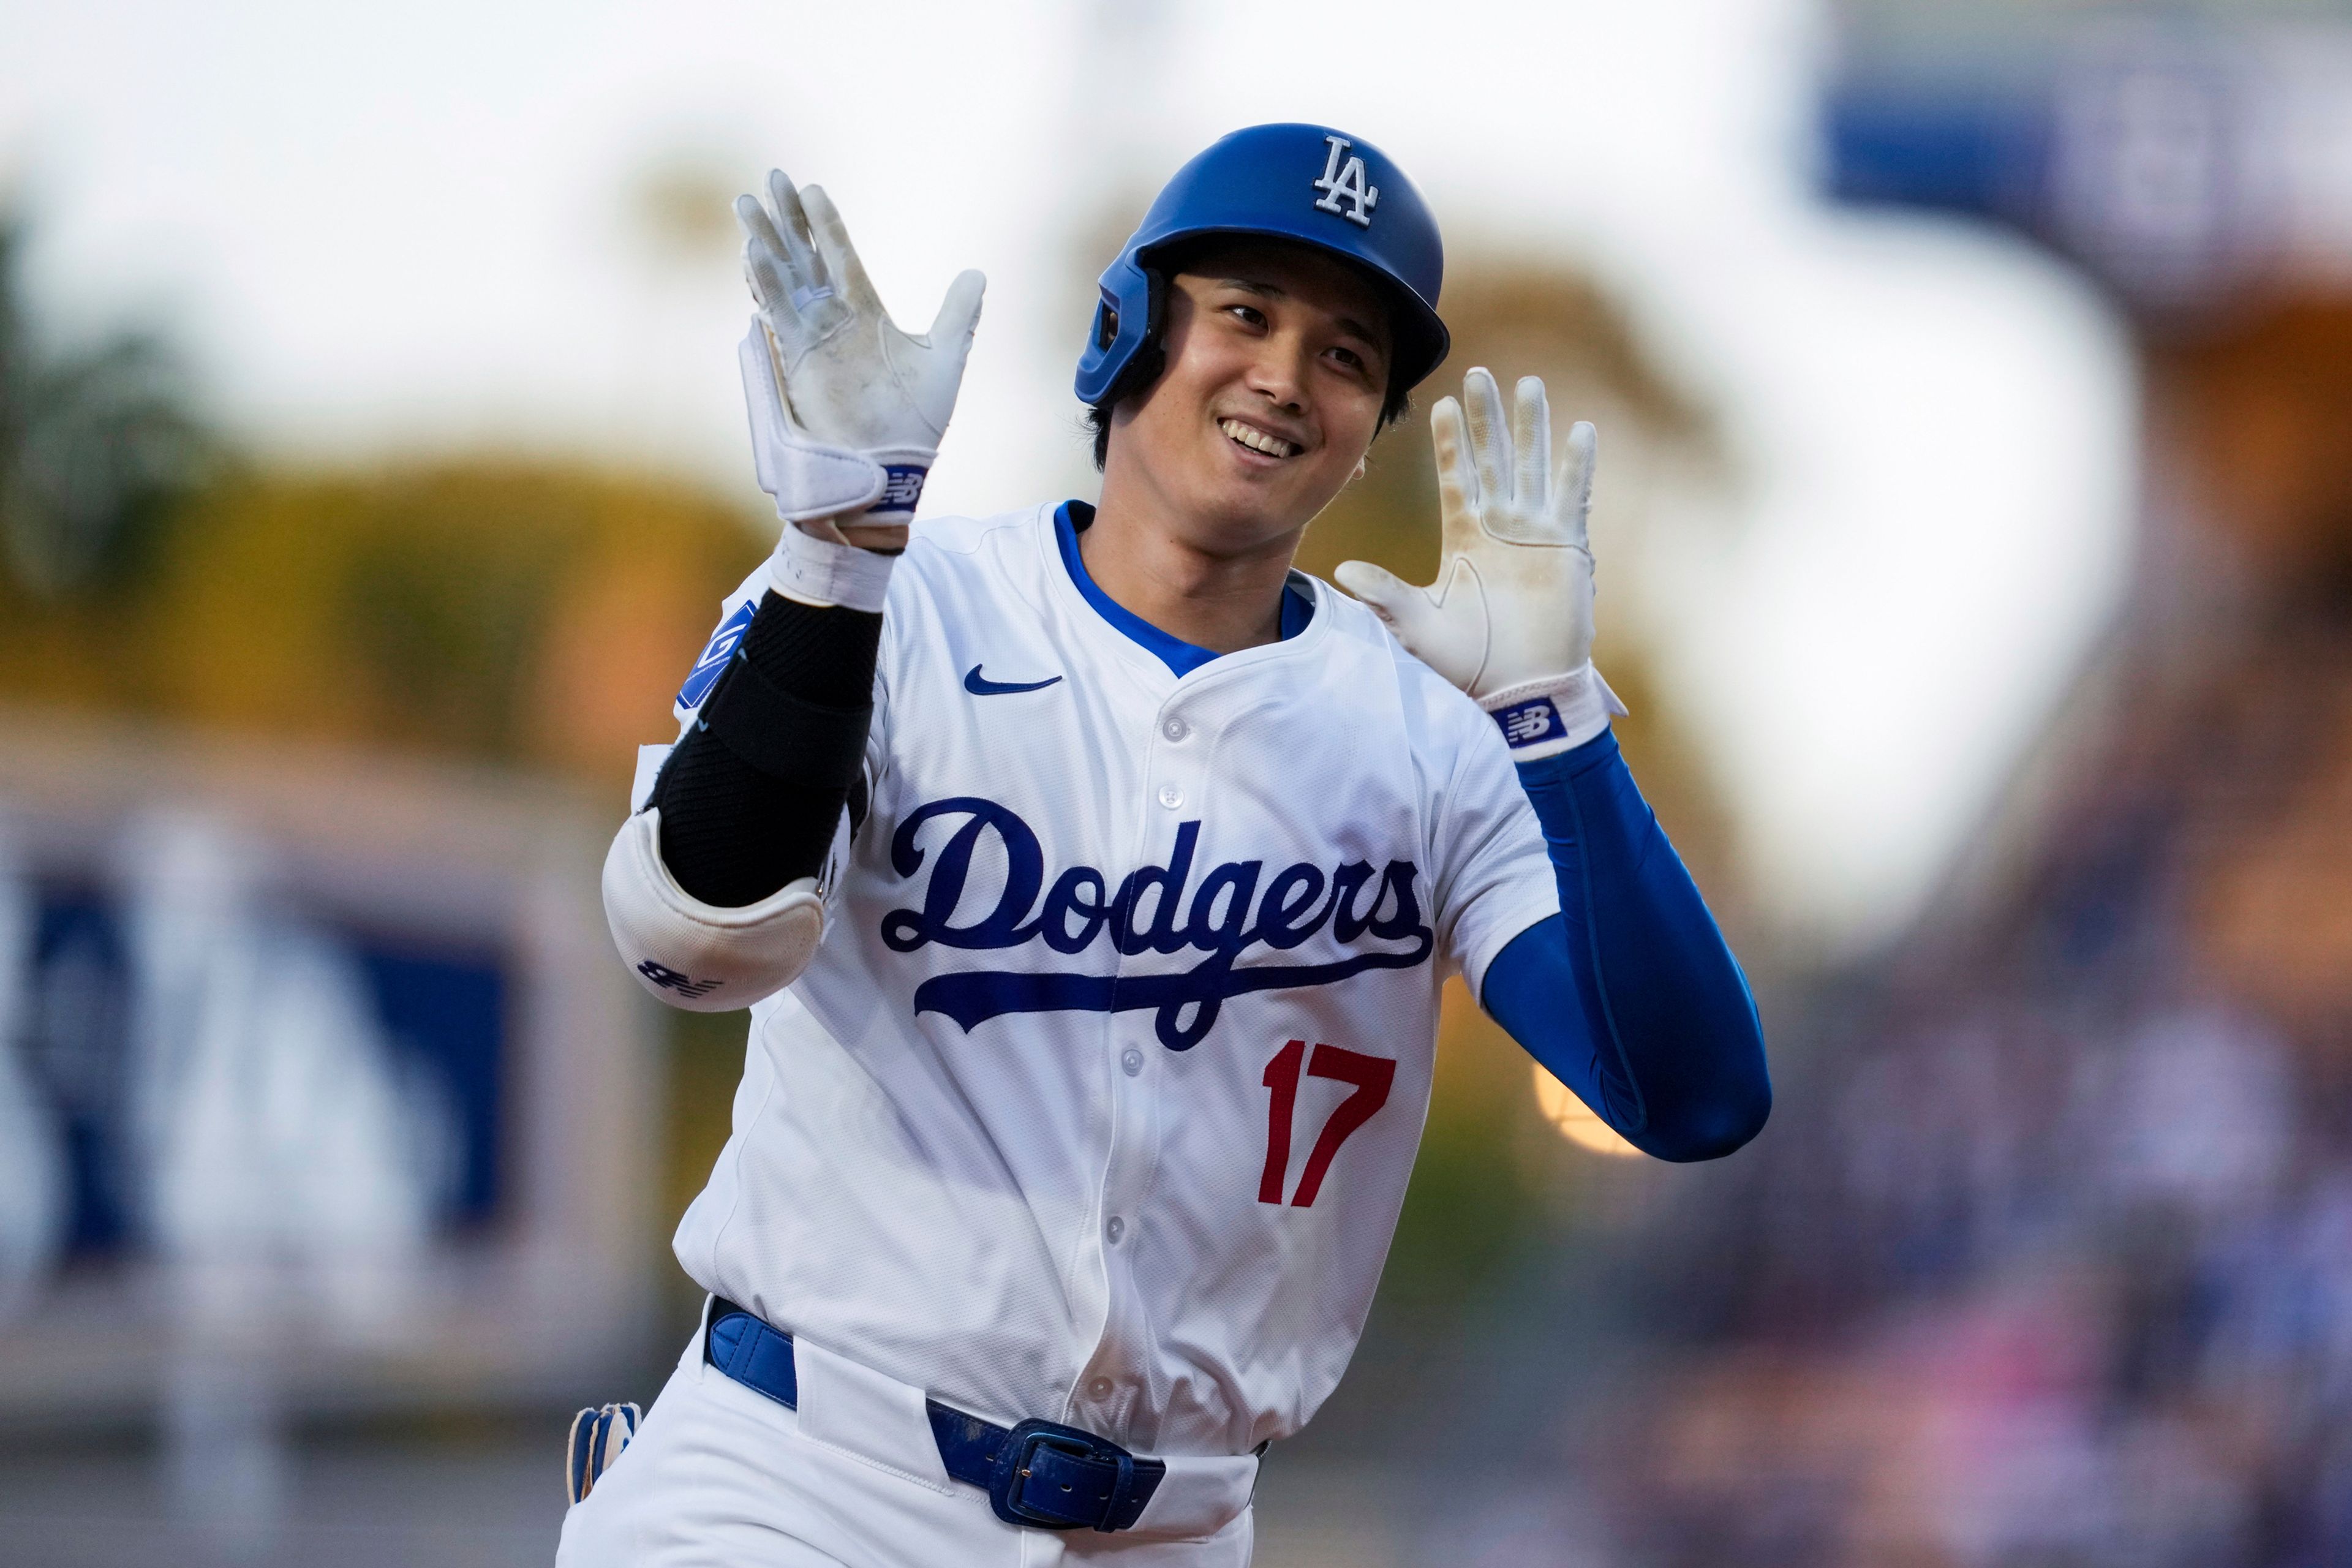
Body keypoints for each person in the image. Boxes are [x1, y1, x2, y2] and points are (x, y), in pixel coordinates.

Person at [566, 123, 1770, 1568]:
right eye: (1246, 313)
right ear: (1128, 332)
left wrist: (1556, 719)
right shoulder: (901, 603)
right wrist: (839, 548)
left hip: (1170, 1526)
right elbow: (689, 941)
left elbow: (1692, 1099)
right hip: (802, 1479)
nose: (1284, 374)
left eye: (1345, 352)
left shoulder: (1431, 739)